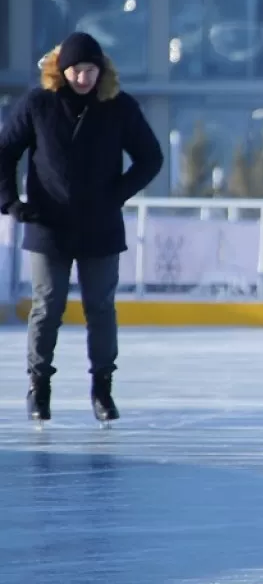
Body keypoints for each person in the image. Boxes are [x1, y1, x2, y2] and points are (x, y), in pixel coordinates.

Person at [0, 32, 164, 426]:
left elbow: (150, 157)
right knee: (47, 306)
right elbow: (5, 151)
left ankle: (102, 389)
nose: (84, 78)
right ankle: (39, 388)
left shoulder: (118, 106)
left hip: (100, 228)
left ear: (101, 71)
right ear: (62, 69)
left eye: (91, 70)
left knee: (101, 309)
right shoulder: (38, 104)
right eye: (77, 70)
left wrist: (117, 194)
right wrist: (11, 203)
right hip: (47, 225)